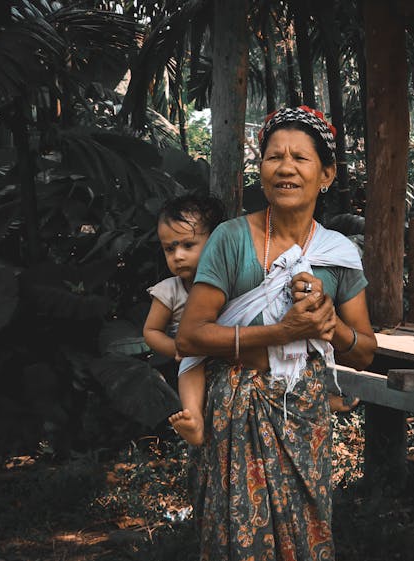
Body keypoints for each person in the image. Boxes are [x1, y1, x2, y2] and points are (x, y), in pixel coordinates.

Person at [175, 106, 377, 561]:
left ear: (326, 174)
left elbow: (365, 351)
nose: (285, 167)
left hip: (304, 413)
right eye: (273, 156)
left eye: (300, 158)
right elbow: (190, 336)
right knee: (238, 538)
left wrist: (332, 327)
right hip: (236, 408)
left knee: (305, 533)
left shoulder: (338, 254)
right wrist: (282, 331)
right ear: (261, 169)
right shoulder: (231, 239)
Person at [142, 194, 224, 440]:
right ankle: (194, 421)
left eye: (188, 245)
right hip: (194, 352)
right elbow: (151, 331)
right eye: (170, 248)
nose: (177, 256)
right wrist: (176, 348)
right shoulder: (169, 290)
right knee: (190, 369)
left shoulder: (230, 282)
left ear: (215, 243)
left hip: (231, 347)